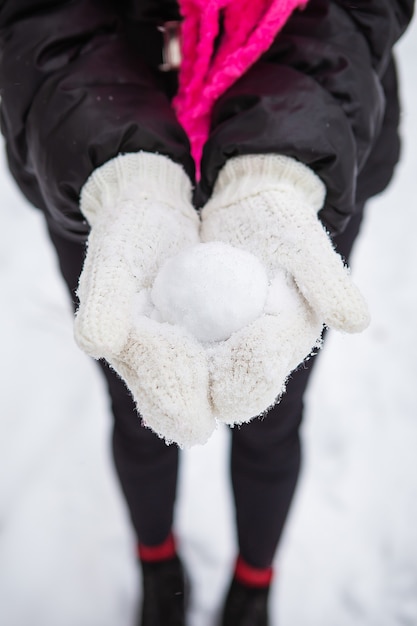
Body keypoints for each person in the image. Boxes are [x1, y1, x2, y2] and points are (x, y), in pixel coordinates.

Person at [0, 1, 414, 624]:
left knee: (269, 404)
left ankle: (254, 582)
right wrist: (119, 168)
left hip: (311, 146)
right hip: (92, 148)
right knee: (144, 401)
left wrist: (280, 166)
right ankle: (156, 562)